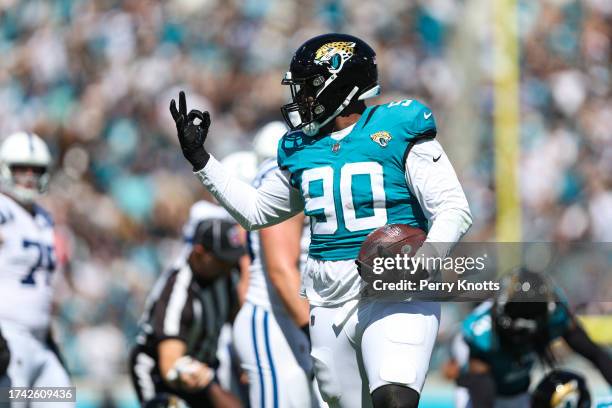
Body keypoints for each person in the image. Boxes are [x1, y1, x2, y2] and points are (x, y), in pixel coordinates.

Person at [170, 33, 472, 407]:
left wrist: (422, 264)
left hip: (397, 291)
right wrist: (201, 159)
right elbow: (256, 212)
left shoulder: (397, 128)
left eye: (309, 86)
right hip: (328, 298)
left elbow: (453, 208)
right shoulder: (300, 148)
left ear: (341, 83)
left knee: (395, 398)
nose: (302, 98)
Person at [231, 121, 318, 407]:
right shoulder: (282, 176)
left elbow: (247, 273)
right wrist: (311, 329)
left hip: (283, 318)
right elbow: (280, 271)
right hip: (277, 319)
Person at [447, 268, 612, 408]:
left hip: (519, 390)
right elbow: (482, 394)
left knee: (566, 389)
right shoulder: (481, 333)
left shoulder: (555, 314)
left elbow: (594, 353)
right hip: (482, 392)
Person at [130, 217, 245, 408]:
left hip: (203, 368)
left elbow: (238, 321)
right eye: (222, 260)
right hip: (159, 374)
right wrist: (206, 381)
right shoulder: (178, 291)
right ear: (200, 253)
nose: (230, 266)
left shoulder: (227, 279)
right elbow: (170, 365)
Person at [0, 132, 72, 405]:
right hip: (9, 339)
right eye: (21, 168)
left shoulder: (43, 217)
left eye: (36, 169)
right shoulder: (3, 209)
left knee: (61, 400)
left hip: (41, 342)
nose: (29, 175)